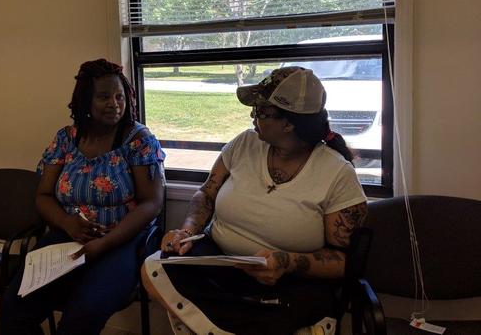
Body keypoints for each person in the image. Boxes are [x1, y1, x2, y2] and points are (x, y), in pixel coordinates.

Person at [142, 66, 367, 335]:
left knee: (302, 303)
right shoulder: (244, 144)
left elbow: (343, 261)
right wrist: (188, 231)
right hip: (221, 263)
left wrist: (287, 262)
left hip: (287, 280)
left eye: (261, 112)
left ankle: (221, 324)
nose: (252, 116)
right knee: (155, 268)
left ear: (288, 123)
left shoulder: (337, 172)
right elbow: (207, 193)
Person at [0, 58, 165, 335]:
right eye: (104, 97)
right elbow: (42, 195)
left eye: (120, 96)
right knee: (14, 305)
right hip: (68, 236)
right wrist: (67, 223)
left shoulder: (137, 140)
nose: (115, 103)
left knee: (82, 314)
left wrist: (107, 242)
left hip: (121, 240)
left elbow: (152, 202)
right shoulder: (66, 139)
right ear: (86, 100)